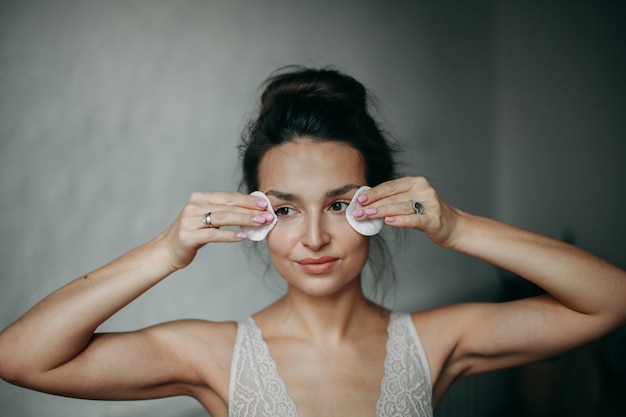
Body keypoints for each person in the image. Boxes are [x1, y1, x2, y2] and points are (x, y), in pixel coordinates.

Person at [0, 67, 625, 417]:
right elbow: (20, 358)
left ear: (375, 207)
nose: (317, 237)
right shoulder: (214, 357)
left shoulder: (436, 343)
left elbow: (610, 300)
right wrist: (167, 250)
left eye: (338, 204)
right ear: (253, 217)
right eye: (286, 210)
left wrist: (457, 226)